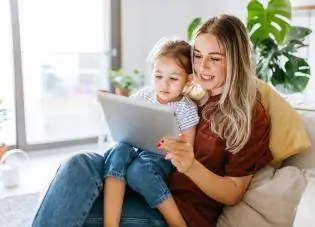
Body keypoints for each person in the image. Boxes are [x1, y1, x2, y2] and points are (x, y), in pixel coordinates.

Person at [31, 14, 273, 227]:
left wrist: (191, 166)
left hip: (169, 207)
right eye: (197, 56)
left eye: (215, 58)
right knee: (77, 164)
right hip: (133, 176)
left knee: (66, 207)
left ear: (236, 60)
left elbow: (233, 193)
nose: (202, 66)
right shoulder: (192, 91)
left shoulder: (249, 114)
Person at [103, 39, 199, 227]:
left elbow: (187, 148)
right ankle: (110, 223)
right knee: (118, 151)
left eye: (173, 79)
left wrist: (177, 144)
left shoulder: (185, 108)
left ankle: (177, 223)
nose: (164, 84)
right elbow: (125, 117)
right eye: (158, 76)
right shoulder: (144, 95)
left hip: (159, 157)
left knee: (140, 170)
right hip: (134, 147)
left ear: (187, 81)